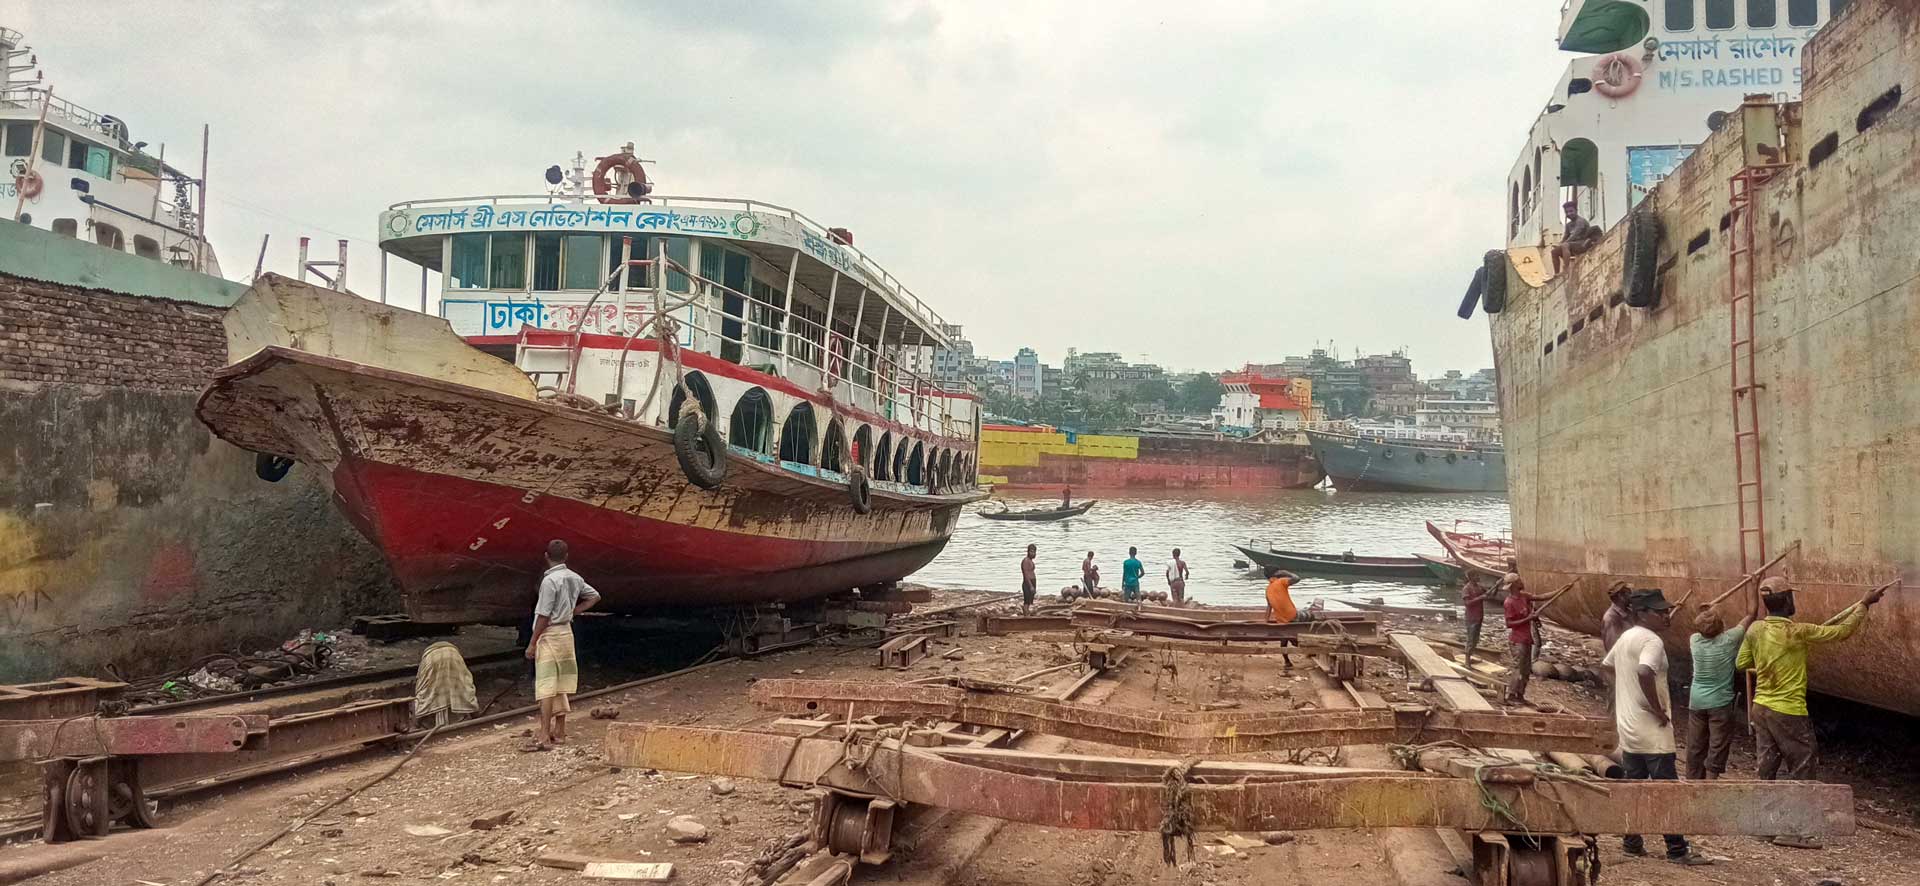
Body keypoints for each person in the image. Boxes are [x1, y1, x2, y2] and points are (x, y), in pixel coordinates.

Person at [1736, 576, 1890, 849]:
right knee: (1803, 767)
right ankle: (1794, 832)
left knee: (1766, 767)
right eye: (1791, 597)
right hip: (1789, 712)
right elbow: (1841, 632)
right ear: (1785, 600)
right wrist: (1864, 605)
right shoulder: (1798, 632)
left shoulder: (1756, 630)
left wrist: (1767, 665)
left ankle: (1762, 827)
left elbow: (1742, 663)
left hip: (1761, 708)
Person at [1603, 589, 1712, 865]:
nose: (1666, 615)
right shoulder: (1652, 640)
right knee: (1666, 789)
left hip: (1629, 727)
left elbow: (1607, 666)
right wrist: (1655, 708)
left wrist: (1626, 696)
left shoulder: (1627, 636)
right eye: (1659, 611)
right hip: (1652, 730)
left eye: (1666, 610)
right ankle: (1677, 849)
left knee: (1634, 786)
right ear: (1642, 613)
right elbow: (1644, 671)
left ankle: (1632, 842)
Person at [527, 539, 600, 748]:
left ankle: (543, 734)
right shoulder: (574, 578)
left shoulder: (549, 581)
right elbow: (595, 596)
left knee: (546, 686)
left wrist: (532, 643)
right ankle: (559, 732)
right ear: (566, 556)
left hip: (549, 634)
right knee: (562, 685)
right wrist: (574, 611)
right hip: (566, 633)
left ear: (546, 556)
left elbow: (543, 614)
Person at [1685, 587, 1762, 781]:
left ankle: (1692, 782)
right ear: (1721, 627)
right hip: (1720, 703)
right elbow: (1751, 613)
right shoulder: (1729, 641)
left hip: (1696, 702)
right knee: (1717, 745)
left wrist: (1710, 610)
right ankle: (1711, 784)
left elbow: (1702, 625)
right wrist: (1754, 584)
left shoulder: (1694, 641)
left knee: (1695, 745)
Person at [1500, 575, 1567, 705]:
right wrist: (1529, 618)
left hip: (1526, 639)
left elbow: (1541, 597)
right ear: (1513, 585)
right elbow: (1509, 624)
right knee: (1518, 669)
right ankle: (1511, 695)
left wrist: (1560, 590)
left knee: (1526, 670)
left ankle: (1520, 695)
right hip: (1517, 641)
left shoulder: (1524, 596)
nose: (1522, 581)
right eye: (1519, 580)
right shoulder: (1509, 602)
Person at [412, 640, 477, 729]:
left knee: (425, 692)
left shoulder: (426, 655)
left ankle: (415, 725)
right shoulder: (453, 648)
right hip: (453, 655)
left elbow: (420, 679)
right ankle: (476, 715)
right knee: (463, 685)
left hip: (432, 659)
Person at [1550, 200, 1603, 272]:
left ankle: (1566, 268)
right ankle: (1556, 274)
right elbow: (1565, 237)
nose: (1569, 213)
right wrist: (1559, 245)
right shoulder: (1568, 225)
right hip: (1573, 246)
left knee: (1565, 245)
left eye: (1571, 211)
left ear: (1576, 211)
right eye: (1567, 212)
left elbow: (1575, 235)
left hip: (1584, 243)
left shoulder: (1580, 221)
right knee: (1554, 252)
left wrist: (1563, 244)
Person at [1264, 569, 1302, 668]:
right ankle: (1309, 648)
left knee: (1284, 640)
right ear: (1277, 574)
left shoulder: (1267, 590)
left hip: (1281, 621)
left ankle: (1287, 661)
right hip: (1292, 616)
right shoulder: (1281, 581)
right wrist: (1286, 572)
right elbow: (1297, 578)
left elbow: (1269, 607)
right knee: (1307, 621)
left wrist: (1265, 621)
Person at [1460, 573, 1489, 668]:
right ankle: (1467, 660)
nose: (1478, 577)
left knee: (1476, 639)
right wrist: (1480, 598)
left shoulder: (1479, 587)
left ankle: (1470, 655)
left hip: (1479, 615)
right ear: (1471, 577)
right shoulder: (1466, 589)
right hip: (1471, 617)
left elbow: (1489, 594)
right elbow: (1467, 603)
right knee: (1471, 639)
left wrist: (1496, 586)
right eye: (1476, 575)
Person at [1600, 580, 1634, 651]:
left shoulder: (1628, 612)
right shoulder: (1611, 618)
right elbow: (1613, 648)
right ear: (1620, 596)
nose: (1632, 594)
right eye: (1629, 592)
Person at [1020, 544, 1038, 611]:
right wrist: (1031, 586)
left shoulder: (1031, 561)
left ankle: (1027, 612)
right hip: (1027, 583)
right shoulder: (1026, 561)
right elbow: (1026, 574)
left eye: (1034, 552)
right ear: (1028, 552)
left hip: (1032, 582)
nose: (1033, 554)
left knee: (1030, 601)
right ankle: (1026, 614)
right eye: (1032, 552)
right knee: (1027, 601)